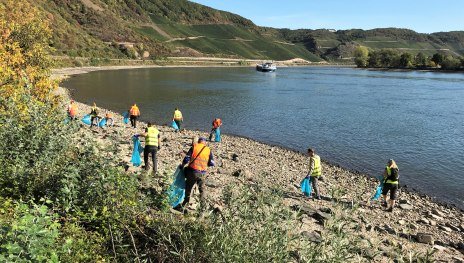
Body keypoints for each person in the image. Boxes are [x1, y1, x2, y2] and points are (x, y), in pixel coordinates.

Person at [178, 137, 214, 211]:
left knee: (188, 187)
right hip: (202, 173)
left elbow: (186, 159)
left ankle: (185, 203)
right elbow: (212, 163)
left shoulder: (194, 147)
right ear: (205, 143)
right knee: (202, 190)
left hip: (193, 172)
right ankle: (203, 207)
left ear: (198, 142)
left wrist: (182, 165)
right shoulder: (208, 150)